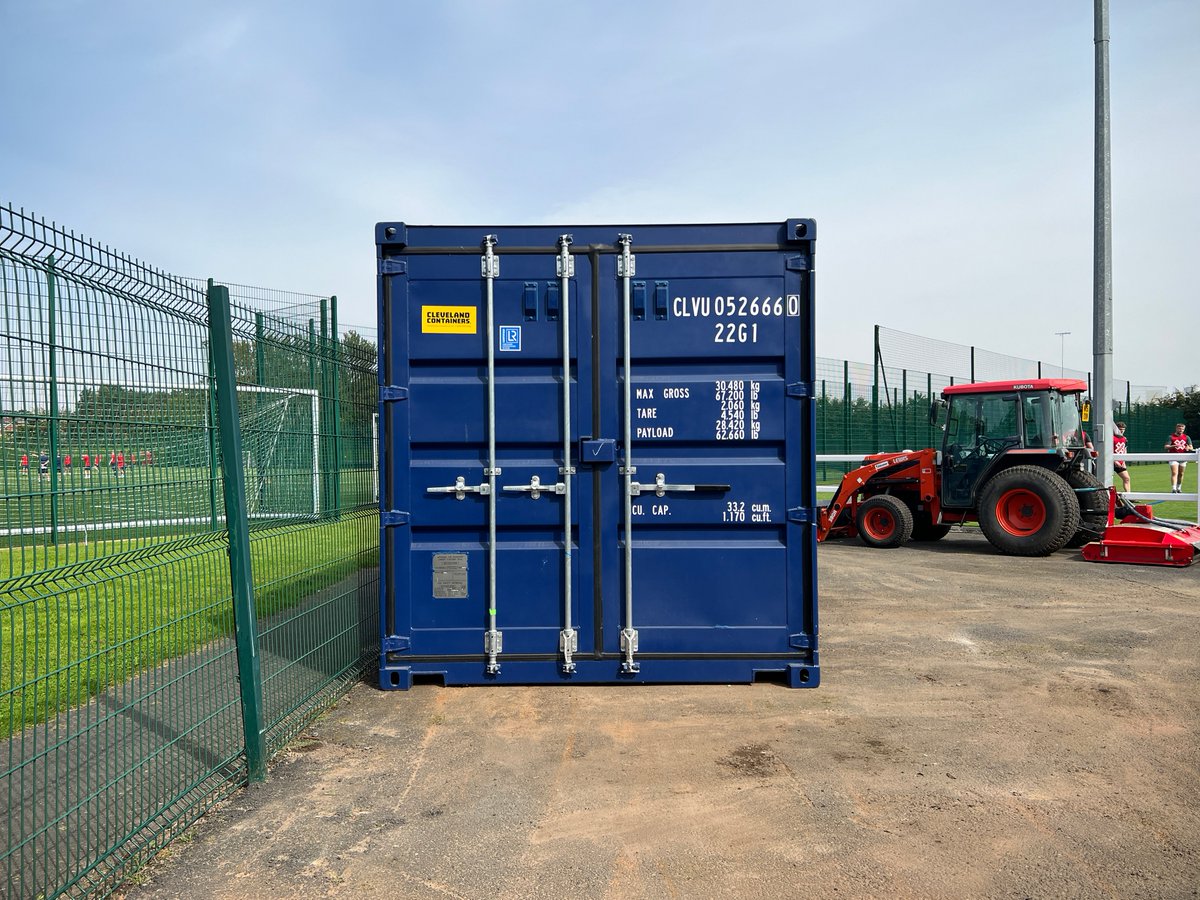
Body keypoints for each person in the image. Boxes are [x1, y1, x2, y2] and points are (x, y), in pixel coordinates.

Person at [1164, 422, 1194, 494]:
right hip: (1173, 457)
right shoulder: (1171, 437)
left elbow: (1191, 447)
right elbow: (1166, 446)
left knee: (1181, 474)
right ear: (1176, 428)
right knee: (1174, 472)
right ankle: (1174, 488)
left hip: (1183, 457)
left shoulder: (1187, 437)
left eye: (1182, 429)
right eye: (1179, 428)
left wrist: (1188, 448)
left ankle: (1179, 488)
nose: (1181, 430)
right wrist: (1173, 446)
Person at [1112, 422, 1130, 493]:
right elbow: (1109, 450)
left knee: (1127, 478)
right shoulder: (1112, 438)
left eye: (1123, 429)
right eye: (1120, 429)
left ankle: (1129, 496)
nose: (1122, 431)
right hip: (1111, 462)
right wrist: (1115, 461)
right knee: (1108, 480)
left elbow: (1124, 450)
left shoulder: (1124, 439)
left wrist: (1123, 461)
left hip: (1120, 462)